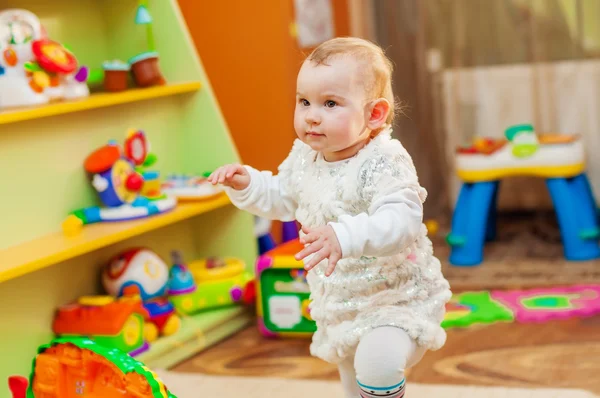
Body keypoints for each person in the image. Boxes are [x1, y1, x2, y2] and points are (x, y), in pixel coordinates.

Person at [208, 37, 451, 398]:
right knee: (355, 384)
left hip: (396, 300)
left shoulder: (383, 161)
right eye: (304, 101)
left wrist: (345, 235)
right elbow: (283, 196)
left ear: (374, 114)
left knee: (378, 366)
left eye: (330, 103)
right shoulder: (306, 157)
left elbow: (401, 221)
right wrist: (247, 184)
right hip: (340, 304)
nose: (312, 115)